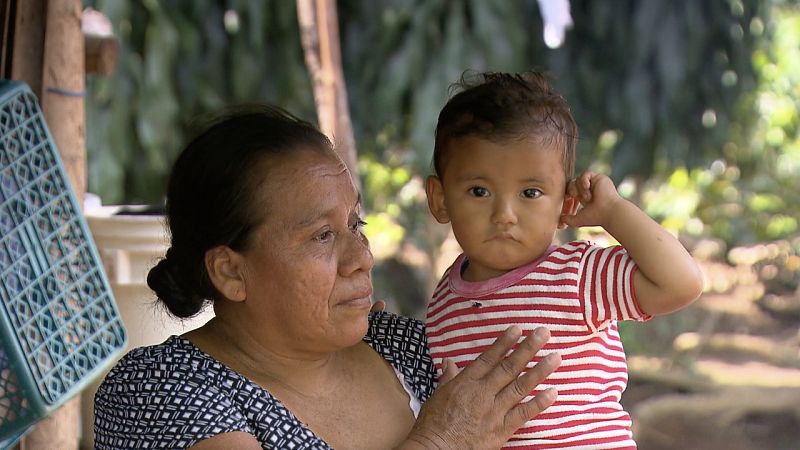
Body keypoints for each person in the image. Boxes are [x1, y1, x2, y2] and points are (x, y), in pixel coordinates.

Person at [93, 104, 562, 449]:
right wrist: (441, 443)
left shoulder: (406, 347)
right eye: (321, 236)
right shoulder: (159, 390)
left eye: (354, 225)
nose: (361, 257)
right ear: (232, 272)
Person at [424, 71, 704, 449]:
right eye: (479, 190)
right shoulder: (442, 304)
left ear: (565, 206)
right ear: (440, 199)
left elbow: (682, 283)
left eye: (530, 192)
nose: (504, 213)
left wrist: (613, 211)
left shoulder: (578, 274)